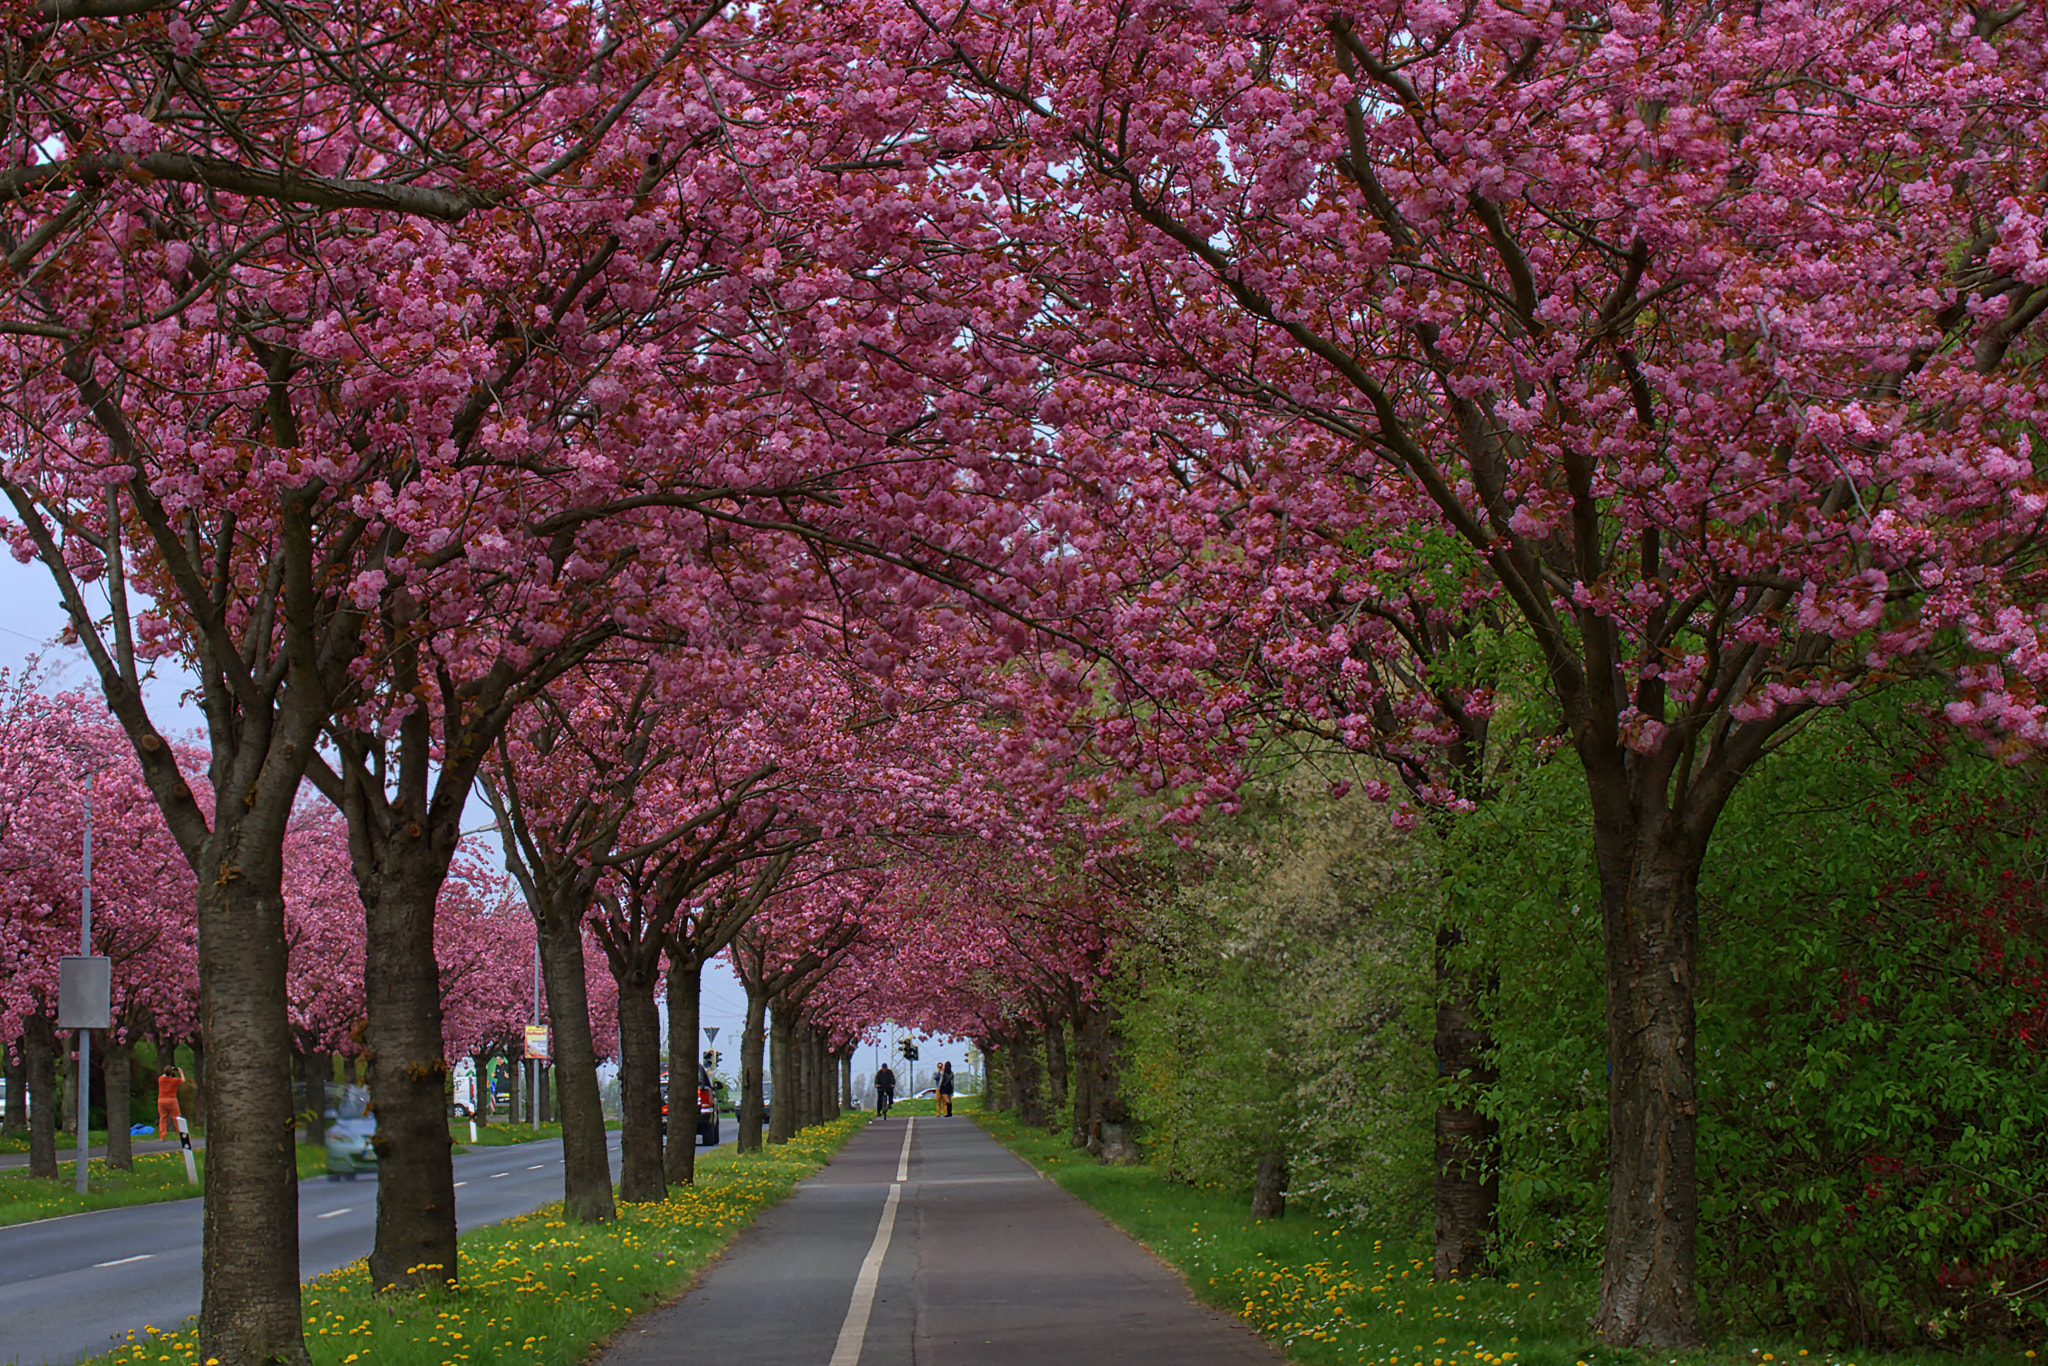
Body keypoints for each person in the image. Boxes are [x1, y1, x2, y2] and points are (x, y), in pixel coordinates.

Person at [156, 1065, 183, 1140]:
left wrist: (168, 1070)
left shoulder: (160, 1079)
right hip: (171, 1100)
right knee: (176, 1117)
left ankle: (162, 1136)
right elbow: (182, 1080)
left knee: (163, 1118)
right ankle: (181, 1133)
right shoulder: (174, 1080)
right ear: (171, 1073)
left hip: (161, 1100)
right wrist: (180, 1072)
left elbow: (164, 1075)